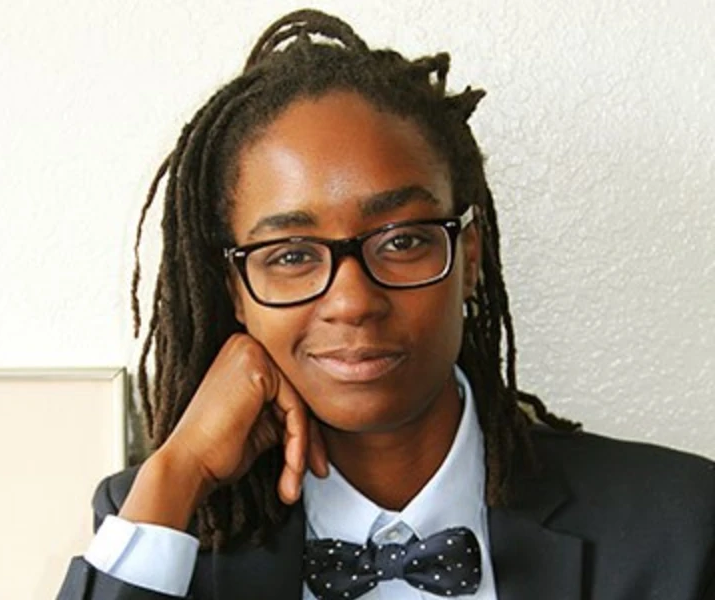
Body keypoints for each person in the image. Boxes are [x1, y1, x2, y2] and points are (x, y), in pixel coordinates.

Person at [56, 9, 715, 600]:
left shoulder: (678, 526)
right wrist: (178, 471)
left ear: (470, 256)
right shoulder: (165, 525)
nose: (352, 302)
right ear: (234, 288)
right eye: (291, 254)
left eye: (401, 241)